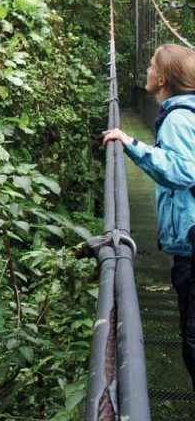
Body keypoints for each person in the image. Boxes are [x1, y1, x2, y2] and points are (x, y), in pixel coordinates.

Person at [103, 43, 195, 389]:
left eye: (151, 66)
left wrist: (131, 143)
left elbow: (183, 172)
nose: (146, 71)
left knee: (192, 339)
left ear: (163, 77)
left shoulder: (178, 118)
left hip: (192, 245)